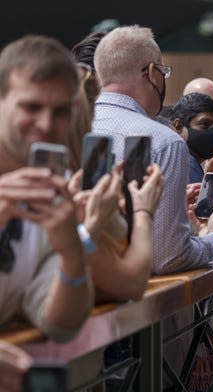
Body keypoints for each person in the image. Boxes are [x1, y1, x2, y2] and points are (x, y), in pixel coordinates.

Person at [92, 25, 213, 275]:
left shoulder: (69, 127)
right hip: (137, 302)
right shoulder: (165, 141)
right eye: (164, 72)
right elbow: (169, 257)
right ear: (151, 72)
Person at [0, 35, 95, 342]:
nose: (45, 123)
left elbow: (62, 325)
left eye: (60, 111)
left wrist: (71, 252)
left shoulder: (55, 186)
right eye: (31, 106)